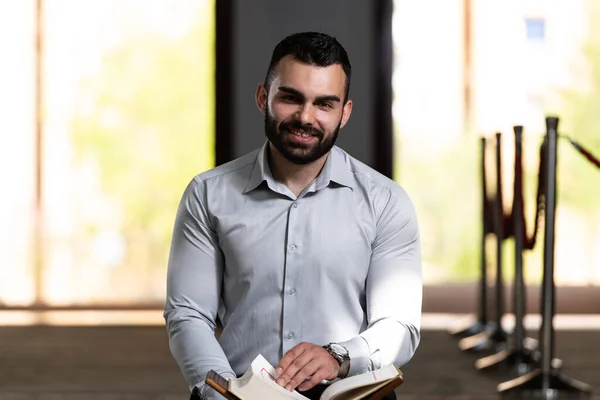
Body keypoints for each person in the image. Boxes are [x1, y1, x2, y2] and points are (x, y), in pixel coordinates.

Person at [164, 31, 422, 400]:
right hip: (234, 391)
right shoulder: (207, 195)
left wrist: (339, 357)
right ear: (262, 97)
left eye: (325, 104)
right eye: (291, 98)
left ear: (344, 113)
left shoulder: (385, 202)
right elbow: (187, 314)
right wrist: (225, 393)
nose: (306, 117)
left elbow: (399, 325)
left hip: (347, 392)